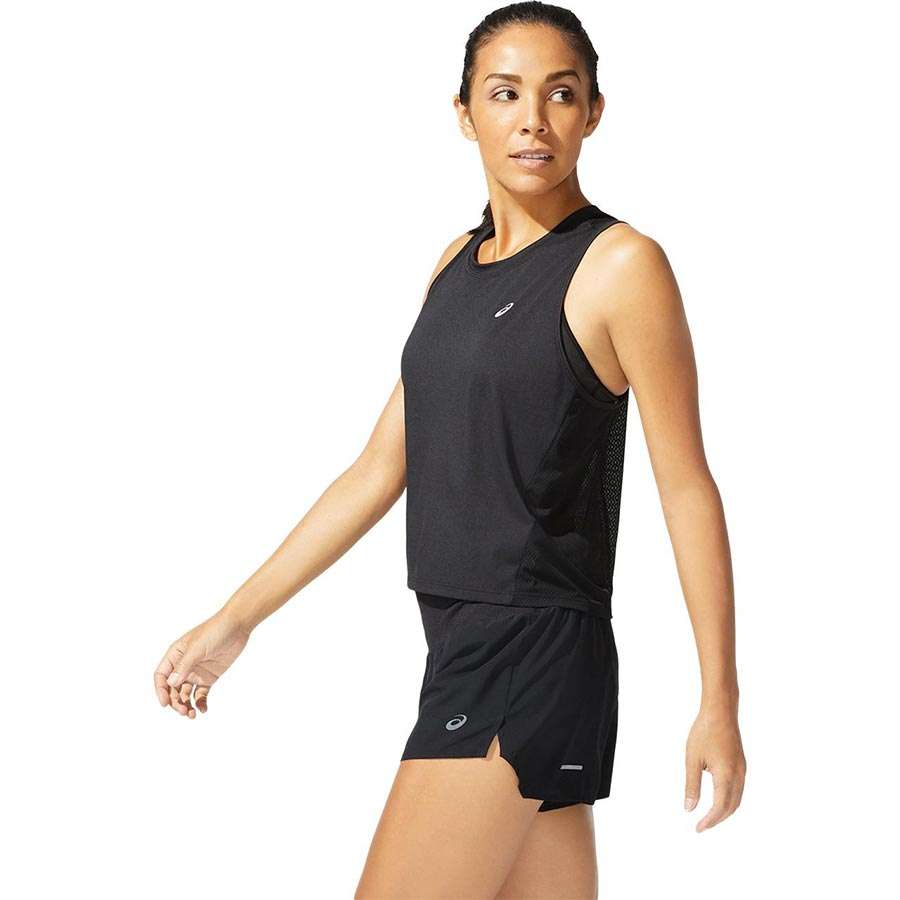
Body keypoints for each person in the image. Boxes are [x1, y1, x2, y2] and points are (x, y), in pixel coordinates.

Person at [154, 3, 746, 897]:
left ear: (593, 112)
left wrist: (719, 701)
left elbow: (687, 489)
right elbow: (379, 467)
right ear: (465, 114)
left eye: (560, 94)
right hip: (464, 642)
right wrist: (237, 619)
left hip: (526, 648)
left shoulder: (621, 266)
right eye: (505, 94)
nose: (533, 120)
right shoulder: (454, 267)